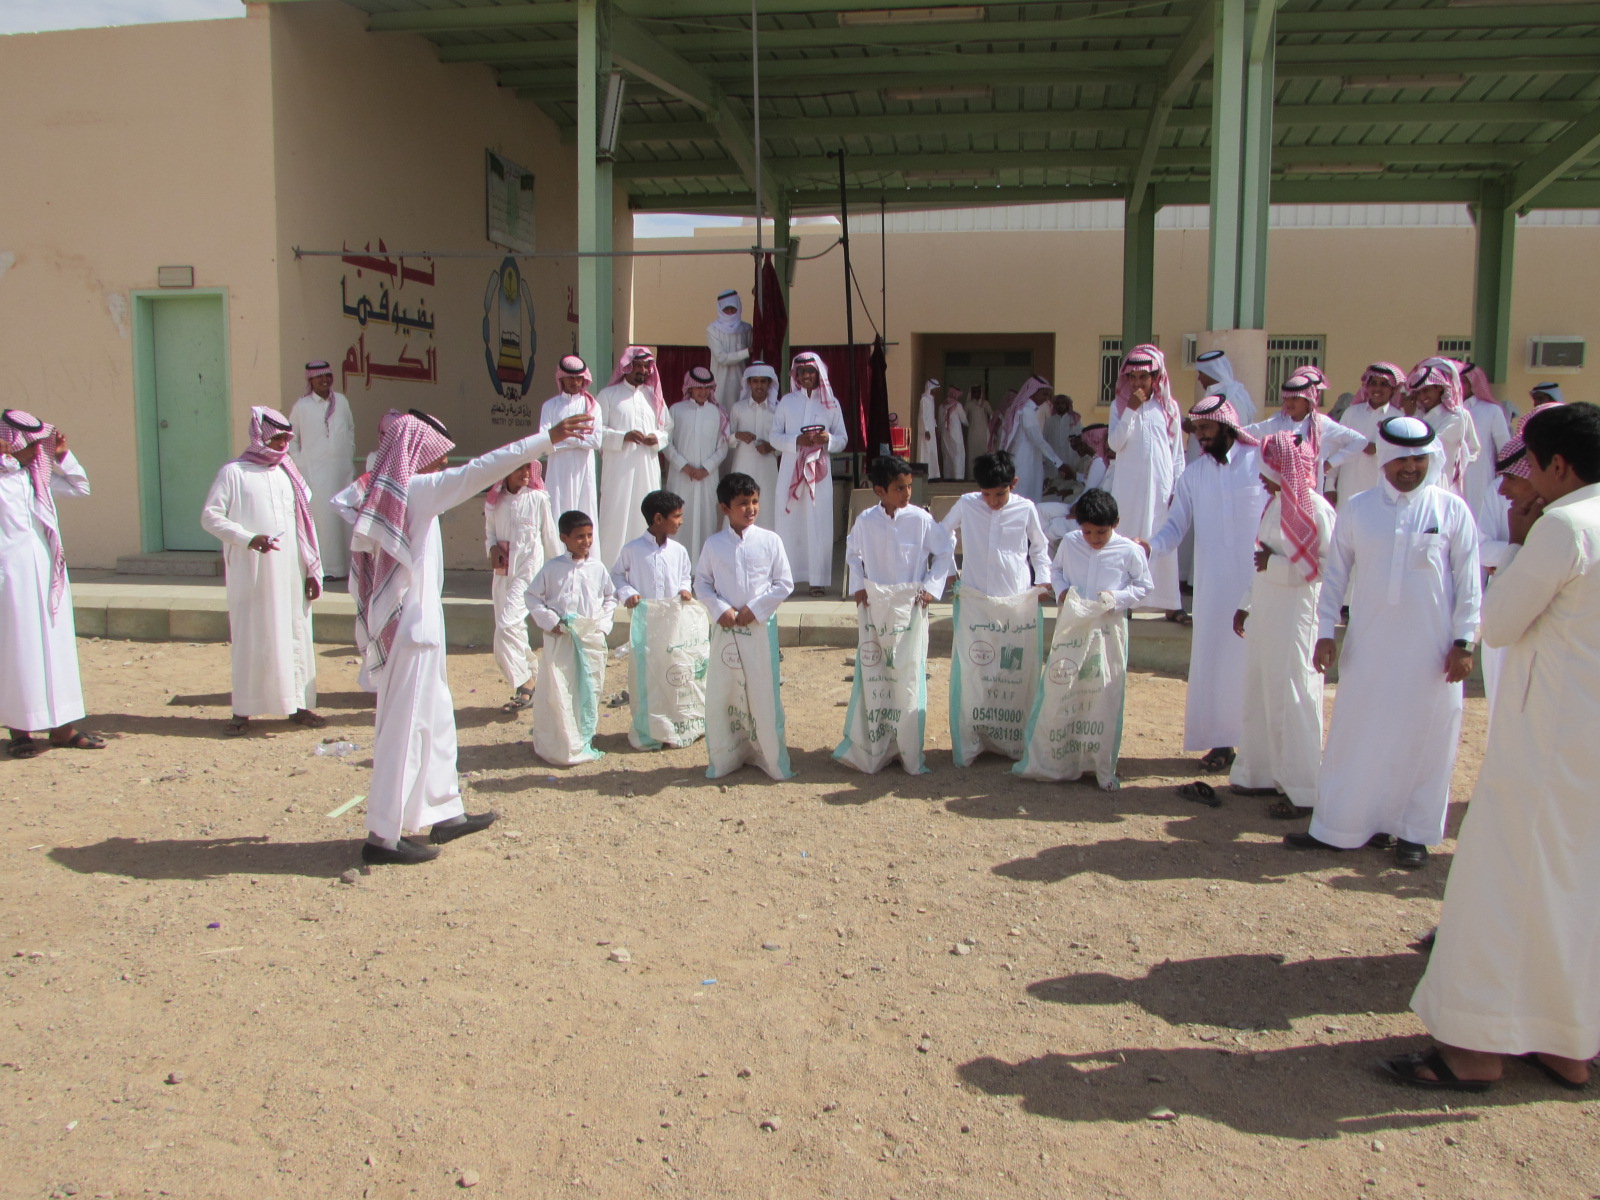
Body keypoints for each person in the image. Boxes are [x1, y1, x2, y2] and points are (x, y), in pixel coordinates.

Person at [1394, 401, 1600, 1094]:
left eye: (1533, 465)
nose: (1528, 479)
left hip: (1550, 739)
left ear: (1559, 466)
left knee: (1501, 881)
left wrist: (1517, 541)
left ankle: (1475, 1049)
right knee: (1577, 886)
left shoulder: (1564, 526)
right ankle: (1567, 1042)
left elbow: (1504, 623)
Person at [339, 407, 593, 865]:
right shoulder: (415, 491)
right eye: (436, 455)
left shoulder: (389, 489)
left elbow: (347, 500)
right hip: (410, 632)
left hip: (422, 628)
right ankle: (382, 836)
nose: (443, 463)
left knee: (436, 723)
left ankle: (445, 812)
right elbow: (480, 470)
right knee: (403, 731)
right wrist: (545, 439)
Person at [1283, 416, 1480, 869]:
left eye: (1419, 460)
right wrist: (1326, 631)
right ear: (1385, 460)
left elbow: (1470, 582)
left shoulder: (1452, 510)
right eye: (1401, 460)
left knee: (1426, 739)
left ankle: (1413, 833)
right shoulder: (1358, 509)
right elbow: (1336, 576)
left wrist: (1465, 641)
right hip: (1370, 646)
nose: (1410, 468)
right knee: (1357, 733)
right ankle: (1340, 827)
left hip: (1432, 652)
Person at [1141, 394, 1265, 776]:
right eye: (1196, 430)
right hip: (1212, 587)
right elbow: (1175, 526)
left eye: (1207, 428)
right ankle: (1222, 741)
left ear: (1227, 426)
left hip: (1260, 580)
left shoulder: (1260, 462)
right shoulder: (1193, 475)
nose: (1201, 436)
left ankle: (1260, 747)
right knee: (1215, 662)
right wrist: (1150, 547)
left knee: (1258, 661)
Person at [200, 406, 325, 737]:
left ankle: (298, 705)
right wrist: (247, 538)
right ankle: (243, 710)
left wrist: (312, 572)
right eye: (277, 437)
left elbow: (304, 526)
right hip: (252, 572)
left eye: (286, 438)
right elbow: (210, 517)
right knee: (253, 636)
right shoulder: (234, 473)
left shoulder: (289, 473)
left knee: (295, 634)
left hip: (291, 572)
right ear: (260, 436)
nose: (282, 444)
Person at [1230, 432, 1336, 816]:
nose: (1261, 478)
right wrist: (1246, 604)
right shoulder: (1274, 504)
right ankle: (1259, 772)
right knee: (1260, 686)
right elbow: (1260, 559)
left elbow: (1328, 568)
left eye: (1265, 470)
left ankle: (1302, 788)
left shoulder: (1316, 509)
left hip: (1297, 612)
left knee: (1293, 693)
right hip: (1267, 608)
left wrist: (1273, 565)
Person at [1016, 486, 1150, 788]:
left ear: (1115, 524)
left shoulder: (1129, 550)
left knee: (1102, 692)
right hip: (1073, 627)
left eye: (1101, 532)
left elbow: (1144, 585)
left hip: (1108, 630)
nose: (1094, 539)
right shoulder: (1071, 542)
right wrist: (1063, 591)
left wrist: (1116, 598)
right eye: (1088, 532)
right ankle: (1056, 758)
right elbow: (1057, 570)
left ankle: (1097, 763)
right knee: (1064, 689)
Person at [835, 455, 954, 775]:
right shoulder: (866, 521)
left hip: (910, 608)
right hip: (876, 607)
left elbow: (944, 552)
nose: (907, 493)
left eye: (909, 487)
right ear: (880, 491)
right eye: (899, 488)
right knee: (877, 672)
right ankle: (877, 743)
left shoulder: (920, 519)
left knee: (908, 674)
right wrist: (858, 586)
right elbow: (853, 553)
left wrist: (931, 587)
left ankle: (908, 748)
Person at [0, 409, 100, 758]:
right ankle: (20, 731)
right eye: (32, 444)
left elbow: (80, 487)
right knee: (18, 650)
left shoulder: (35, 478)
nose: (36, 450)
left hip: (46, 576)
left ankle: (62, 728)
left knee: (55, 651)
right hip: (9, 579)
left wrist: (62, 456)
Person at [695, 472, 795, 779]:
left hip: (759, 630)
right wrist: (720, 609)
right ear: (725, 508)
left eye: (755, 501)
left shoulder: (770, 540)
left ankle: (769, 758)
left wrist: (756, 609)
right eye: (742, 503)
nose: (751, 509)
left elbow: (784, 583)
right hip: (726, 629)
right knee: (726, 692)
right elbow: (702, 582)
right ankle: (728, 756)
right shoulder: (714, 544)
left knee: (763, 692)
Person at [612, 489, 705, 750]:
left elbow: (685, 575)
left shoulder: (678, 551)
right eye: (677, 516)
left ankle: (676, 727)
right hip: (647, 627)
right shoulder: (632, 550)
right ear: (658, 518)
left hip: (674, 627)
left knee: (675, 674)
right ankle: (650, 731)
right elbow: (617, 575)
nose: (681, 521)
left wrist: (685, 590)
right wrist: (628, 594)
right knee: (648, 679)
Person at [527, 509, 617, 766]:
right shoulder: (552, 568)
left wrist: (602, 626)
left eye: (589, 536)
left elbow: (610, 597)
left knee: (589, 687)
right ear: (564, 538)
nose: (586, 541)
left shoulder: (597, 568)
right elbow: (532, 596)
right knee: (559, 689)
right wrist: (551, 621)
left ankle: (582, 738)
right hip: (561, 640)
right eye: (579, 536)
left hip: (590, 641)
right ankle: (559, 742)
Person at [1108, 344, 1185, 615]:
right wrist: (1130, 410)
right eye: (1133, 377)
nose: (1138, 383)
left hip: (1160, 486)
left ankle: (1168, 603)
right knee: (1127, 536)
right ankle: (1126, 601)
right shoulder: (1119, 406)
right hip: (1129, 487)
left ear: (1155, 378)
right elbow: (1115, 444)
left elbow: (1177, 451)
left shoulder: (1169, 407)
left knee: (1159, 535)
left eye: (1143, 377)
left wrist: (1177, 487)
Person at [484, 459, 560, 712]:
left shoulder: (538, 499)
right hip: (503, 571)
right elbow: (490, 533)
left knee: (508, 624)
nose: (526, 473)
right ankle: (532, 674)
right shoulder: (495, 501)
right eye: (519, 467)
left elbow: (549, 537)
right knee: (506, 628)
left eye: (529, 468)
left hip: (529, 572)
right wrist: (492, 548)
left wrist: (559, 574)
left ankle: (526, 681)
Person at [771, 351, 849, 596]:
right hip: (790, 471)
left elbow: (842, 439)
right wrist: (797, 440)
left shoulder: (831, 403)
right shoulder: (786, 402)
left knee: (818, 523)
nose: (806, 376)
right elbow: (774, 437)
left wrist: (828, 439)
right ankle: (787, 580)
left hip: (819, 474)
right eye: (801, 371)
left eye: (810, 371)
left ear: (819, 374)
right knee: (788, 524)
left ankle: (817, 580)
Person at [940, 449, 1052, 601]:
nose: (993, 501)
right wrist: (950, 570)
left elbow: (1039, 546)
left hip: (1015, 592)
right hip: (974, 592)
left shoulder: (1025, 508)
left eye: (1000, 494)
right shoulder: (967, 504)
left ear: (1013, 484)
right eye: (986, 494)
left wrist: (1043, 578)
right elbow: (943, 532)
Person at [596, 346, 670, 570]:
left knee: (646, 514)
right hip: (619, 469)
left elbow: (667, 428)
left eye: (646, 366)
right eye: (638, 366)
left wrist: (656, 438)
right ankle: (611, 570)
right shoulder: (608, 396)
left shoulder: (653, 396)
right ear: (626, 367)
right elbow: (596, 432)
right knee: (615, 517)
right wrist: (623, 437)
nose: (643, 371)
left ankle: (644, 568)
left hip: (647, 467)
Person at [1245, 366, 1367, 496]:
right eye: (1287, 399)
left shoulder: (1322, 424)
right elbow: (1247, 433)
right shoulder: (1277, 422)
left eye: (1295, 399)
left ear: (1307, 400)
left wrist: (1330, 463)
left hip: (1310, 494)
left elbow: (1359, 441)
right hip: (1280, 493)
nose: (1289, 403)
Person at [288, 361, 356, 579]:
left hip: (341, 470)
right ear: (311, 380)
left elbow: (350, 429)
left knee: (343, 517)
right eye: (319, 377)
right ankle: (326, 569)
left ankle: (347, 568)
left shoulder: (342, 402)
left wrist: (348, 451)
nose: (324, 380)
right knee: (324, 520)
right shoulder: (302, 406)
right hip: (315, 474)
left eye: (328, 376)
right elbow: (291, 438)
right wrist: (300, 461)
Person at [667, 365, 731, 564]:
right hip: (681, 477)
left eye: (706, 388)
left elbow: (723, 447)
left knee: (706, 520)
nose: (703, 392)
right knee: (679, 518)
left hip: (707, 478)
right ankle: (678, 566)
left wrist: (706, 468)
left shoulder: (717, 412)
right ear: (690, 388)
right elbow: (666, 443)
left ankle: (703, 568)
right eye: (698, 388)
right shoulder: (676, 410)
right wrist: (684, 466)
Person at [539, 355, 603, 552]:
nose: (575, 383)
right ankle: (557, 558)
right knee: (556, 512)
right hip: (558, 472)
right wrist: (576, 438)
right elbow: (544, 441)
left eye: (579, 378)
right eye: (571, 378)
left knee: (585, 510)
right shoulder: (550, 406)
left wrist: (563, 435)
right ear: (562, 378)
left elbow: (595, 441)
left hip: (583, 471)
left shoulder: (592, 406)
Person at [1327, 363, 1402, 512]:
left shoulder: (1398, 419)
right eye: (1373, 383)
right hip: (1347, 488)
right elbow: (1336, 448)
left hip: (1379, 491)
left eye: (1384, 384)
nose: (1377, 388)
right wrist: (1329, 485)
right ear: (1366, 386)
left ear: (1392, 389)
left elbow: (1401, 454)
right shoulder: (1351, 413)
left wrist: (1378, 448)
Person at [1407, 357, 1481, 500]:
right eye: (1418, 393)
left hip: (1440, 484)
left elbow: (1428, 445)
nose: (1422, 397)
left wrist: (1409, 419)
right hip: (1415, 485)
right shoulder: (1419, 415)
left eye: (1426, 390)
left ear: (1439, 387)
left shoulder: (1455, 416)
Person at [996, 376, 1066, 503]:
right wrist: (1059, 464)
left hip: (1029, 459)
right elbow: (1038, 440)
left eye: (1048, 395)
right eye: (1044, 394)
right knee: (1023, 497)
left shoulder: (1028, 410)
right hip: (1024, 461)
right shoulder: (1026, 411)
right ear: (1033, 392)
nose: (1046, 398)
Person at [729, 362, 781, 527]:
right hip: (743, 465)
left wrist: (771, 447)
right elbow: (726, 440)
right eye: (755, 381)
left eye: (763, 381)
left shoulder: (778, 409)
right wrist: (738, 435)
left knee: (767, 504)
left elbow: (786, 443)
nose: (759, 386)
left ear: (769, 383)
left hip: (768, 468)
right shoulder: (738, 408)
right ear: (749, 383)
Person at [707, 289, 753, 411]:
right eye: (726, 309)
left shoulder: (746, 329)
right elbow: (721, 358)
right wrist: (746, 352)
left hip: (741, 383)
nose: (730, 312)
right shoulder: (713, 330)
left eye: (733, 309)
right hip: (720, 384)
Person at [1194, 349, 1257, 425]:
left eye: (1201, 373)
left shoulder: (1230, 396)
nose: (1199, 378)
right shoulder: (1216, 393)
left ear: (1212, 372)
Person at [938, 385, 969, 483]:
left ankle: (948, 476)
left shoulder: (941, 406)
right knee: (957, 455)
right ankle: (957, 476)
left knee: (947, 455)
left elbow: (939, 423)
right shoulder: (958, 405)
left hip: (945, 434)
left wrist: (939, 434)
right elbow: (964, 420)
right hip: (956, 435)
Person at [916, 379, 943, 479]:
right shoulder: (924, 400)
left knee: (932, 452)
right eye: (936, 389)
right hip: (925, 430)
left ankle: (933, 475)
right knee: (925, 452)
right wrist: (926, 429)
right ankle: (924, 475)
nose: (937, 391)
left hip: (931, 429)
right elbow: (922, 416)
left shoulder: (931, 399)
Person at [964, 384, 994, 469]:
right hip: (972, 433)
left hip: (984, 433)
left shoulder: (985, 404)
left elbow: (992, 415)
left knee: (984, 453)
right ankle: (971, 475)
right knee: (972, 455)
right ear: (971, 393)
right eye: (974, 391)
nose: (976, 393)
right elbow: (963, 418)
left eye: (978, 391)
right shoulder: (968, 404)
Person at [1078, 423, 1113, 492]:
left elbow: (1088, 490)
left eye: (1086, 443)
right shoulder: (1100, 460)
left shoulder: (1100, 462)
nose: (1084, 447)